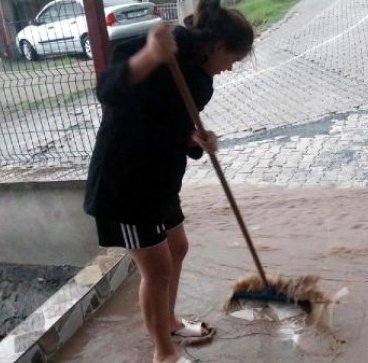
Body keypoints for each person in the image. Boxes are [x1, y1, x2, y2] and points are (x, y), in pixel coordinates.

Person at [83, 1, 254, 362]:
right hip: (125, 182)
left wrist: (195, 138)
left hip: (159, 178)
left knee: (178, 247)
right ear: (218, 47)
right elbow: (108, 91)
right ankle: (164, 353)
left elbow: (169, 124)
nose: (229, 69)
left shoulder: (202, 80)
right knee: (157, 267)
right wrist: (149, 56)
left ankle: (170, 322)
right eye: (233, 60)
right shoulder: (160, 47)